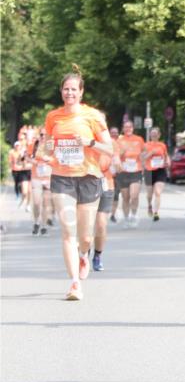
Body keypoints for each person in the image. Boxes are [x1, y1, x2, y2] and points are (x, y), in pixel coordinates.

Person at [43, 67, 113, 300]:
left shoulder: (93, 116)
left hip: (88, 177)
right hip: (62, 177)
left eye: (74, 89)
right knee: (67, 231)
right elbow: (47, 144)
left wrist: (88, 141)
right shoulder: (53, 117)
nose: (69, 93)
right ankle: (74, 283)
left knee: (84, 236)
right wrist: (49, 150)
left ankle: (85, 254)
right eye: (66, 89)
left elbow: (109, 148)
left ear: (81, 92)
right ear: (61, 92)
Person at [92, 143, 120, 271]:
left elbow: (118, 165)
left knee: (101, 224)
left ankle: (97, 255)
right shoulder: (83, 137)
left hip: (106, 184)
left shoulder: (112, 143)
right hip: (85, 185)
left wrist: (117, 164)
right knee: (84, 223)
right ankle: (83, 253)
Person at [116, 120, 144, 227]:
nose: (128, 129)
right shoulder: (119, 140)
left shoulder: (139, 139)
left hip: (136, 171)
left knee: (134, 195)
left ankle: (134, 215)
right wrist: (124, 151)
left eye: (130, 127)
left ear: (133, 128)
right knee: (125, 197)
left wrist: (144, 162)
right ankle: (127, 218)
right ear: (123, 129)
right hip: (123, 172)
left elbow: (143, 152)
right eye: (126, 127)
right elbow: (116, 155)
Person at [142, 127, 170, 221]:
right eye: (152, 134)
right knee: (149, 194)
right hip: (149, 171)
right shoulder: (146, 145)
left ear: (159, 135)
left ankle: (156, 212)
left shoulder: (162, 145)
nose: (153, 135)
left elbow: (166, 156)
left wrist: (168, 162)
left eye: (155, 134)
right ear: (150, 135)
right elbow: (142, 158)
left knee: (157, 192)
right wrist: (151, 153)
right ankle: (149, 205)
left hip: (160, 171)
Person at [30, 129, 52, 235]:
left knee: (46, 203)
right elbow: (27, 157)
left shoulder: (50, 145)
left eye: (45, 134)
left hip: (48, 177)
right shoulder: (34, 144)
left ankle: (44, 225)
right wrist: (36, 163)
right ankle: (36, 222)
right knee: (36, 202)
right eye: (42, 134)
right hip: (36, 177)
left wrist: (47, 162)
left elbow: (56, 159)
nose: (43, 136)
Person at [10, 138, 31, 210]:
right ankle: (22, 200)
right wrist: (23, 163)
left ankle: (28, 205)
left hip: (31, 173)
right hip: (23, 173)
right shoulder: (21, 154)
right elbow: (18, 163)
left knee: (29, 191)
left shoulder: (33, 153)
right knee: (25, 191)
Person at [108, 126, 121, 223]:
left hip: (118, 173)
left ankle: (113, 214)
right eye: (112, 132)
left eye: (115, 132)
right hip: (106, 172)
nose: (114, 134)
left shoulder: (121, 143)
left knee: (116, 194)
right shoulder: (106, 143)